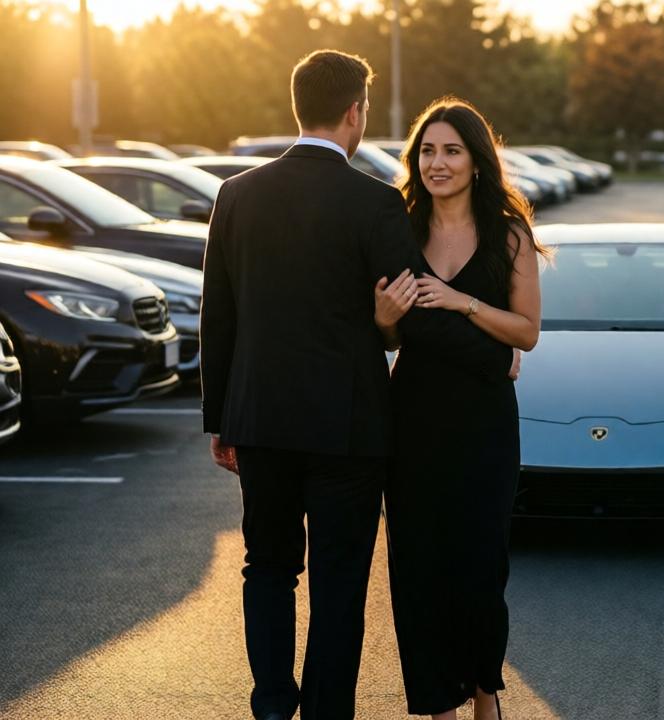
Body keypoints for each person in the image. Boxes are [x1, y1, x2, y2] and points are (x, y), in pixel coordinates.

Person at [201, 52, 513, 720]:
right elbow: (416, 313)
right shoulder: (372, 203)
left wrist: (218, 420)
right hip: (349, 432)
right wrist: (493, 357)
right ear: (355, 112)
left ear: (299, 108)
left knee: (268, 569)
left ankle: (272, 708)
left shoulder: (237, 194)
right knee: (339, 586)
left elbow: (217, 316)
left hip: (259, 423)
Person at [374, 97, 545, 720]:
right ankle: (436, 705)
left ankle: (484, 694)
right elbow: (395, 338)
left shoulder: (508, 233)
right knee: (419, 573)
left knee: (479, 570)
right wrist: (385, 322)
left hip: (484, 428)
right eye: (426, 151)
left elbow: (526, 333)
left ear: (477, 161)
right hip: (413, 421)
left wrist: (457, 301)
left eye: (451, 151)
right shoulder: (399, 230)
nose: (437, 163)